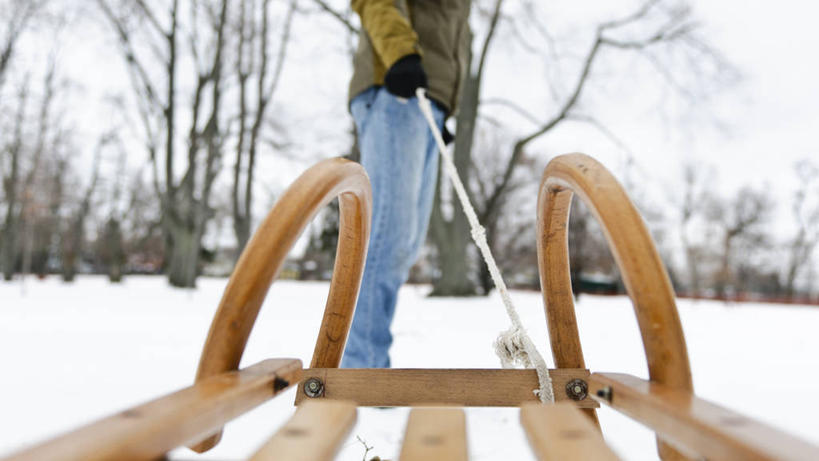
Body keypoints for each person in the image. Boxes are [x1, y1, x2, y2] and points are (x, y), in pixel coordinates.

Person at [341, 0, 472, 368]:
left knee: (405, 244)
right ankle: (361, 366)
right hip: (398, 90)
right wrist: (400, 55)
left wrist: (442, 105)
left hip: (428, 101)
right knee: (387, 238)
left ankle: (367, 360)